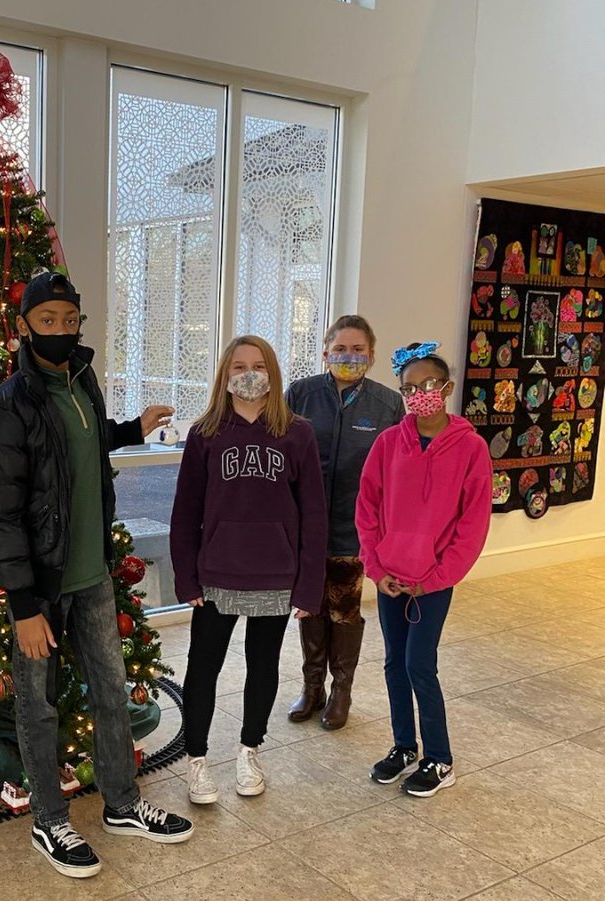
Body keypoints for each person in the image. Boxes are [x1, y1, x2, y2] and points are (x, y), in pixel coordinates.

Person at [0, 271, 194, 879]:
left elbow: (82, 449)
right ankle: (49, 819)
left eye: (70, 321)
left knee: (112, 692)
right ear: (24, 326)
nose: (61, 331)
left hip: (92, 576)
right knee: (38, 705)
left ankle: (122, 805)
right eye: (48, 321)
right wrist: (22, 603)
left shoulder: (83, 382)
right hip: (40, 588)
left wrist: (130, 430)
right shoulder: (8, 405)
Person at [170, 336, 327, 805]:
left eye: (259, 365)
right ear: (224, 375)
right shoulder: (205, 434)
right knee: (203, 668)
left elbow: (314, 515)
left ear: (273, 373)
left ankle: (249, 749)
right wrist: (186, 577)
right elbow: (185, 512)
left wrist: (309, 586)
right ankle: (196, 759)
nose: (249, 373)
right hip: (217, 573)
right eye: (239, 365)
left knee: (264, 666)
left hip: (277, 574)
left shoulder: (298, 433)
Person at [355, 342, 492, 797]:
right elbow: (367, 510)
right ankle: (403, 746)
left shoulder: (470, 449)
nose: (419, 394)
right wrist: (376, 568)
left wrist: (434, 577)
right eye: (409, 388)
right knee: (395, 663)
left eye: (428, 385)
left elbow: (471, 526)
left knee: (419, 664)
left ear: (447, 388)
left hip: (432, 582)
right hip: (391, 580)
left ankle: (440, 757)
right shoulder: (388, 443)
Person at [284, 315, 404, 730]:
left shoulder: (388, 404)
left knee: (344, 610)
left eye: (357, 350)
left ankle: (342, 692)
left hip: (355, 531)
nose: (348, 356)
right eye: (340, 349)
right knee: (310, 607)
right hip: (305, 529)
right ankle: (312, 687)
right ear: (325, 352)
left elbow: (397, 472)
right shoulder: (300, 394)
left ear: (371, 355)